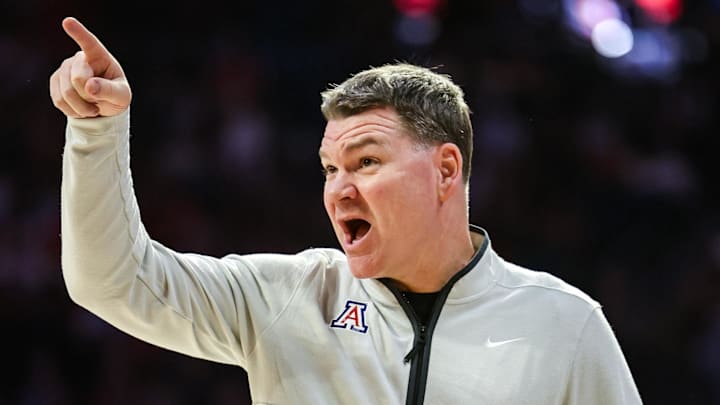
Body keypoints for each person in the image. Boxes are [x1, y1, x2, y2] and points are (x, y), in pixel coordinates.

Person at [51, 17, 642, 405]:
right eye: (330, 169)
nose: (339, 190)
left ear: (444, 171)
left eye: (365, 163)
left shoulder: (564, 325)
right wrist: (96, 131)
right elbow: (112, 281)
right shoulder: (291, 296)